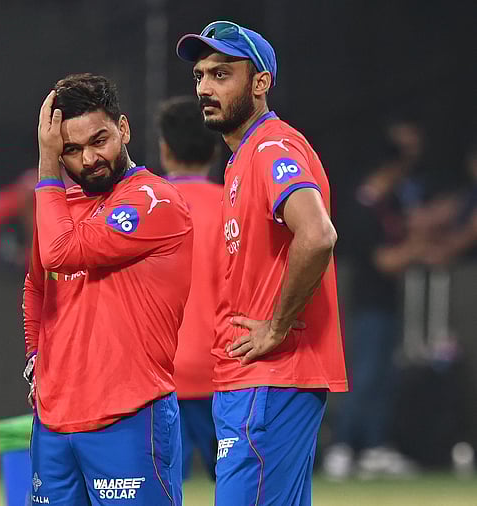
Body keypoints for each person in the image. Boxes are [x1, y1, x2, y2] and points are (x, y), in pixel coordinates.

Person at [177, 21, 346, 505]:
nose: (206, 87)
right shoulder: (242, 157)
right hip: (261, 379)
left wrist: (276, 326)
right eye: (200, 76)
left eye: (222, 74)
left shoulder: (272, 148)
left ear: (260, 83)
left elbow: (316, 236)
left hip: (271, 375)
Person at [24, 73, 194, 505]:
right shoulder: (60, 208)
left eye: (99, 140)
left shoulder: (154, 200)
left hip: (129, 416)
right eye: (71, 151)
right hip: (54, 423)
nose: (89, 159)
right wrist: (35, 359)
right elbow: (36, 284)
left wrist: (47, 165)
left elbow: (62, 253)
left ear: (124, 128)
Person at [322, 126, 427, 481]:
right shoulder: (361, 206)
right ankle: (342, 447)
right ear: (389, 166)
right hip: (365, 302)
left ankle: (374, 447)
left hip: (388, 303)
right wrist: (425, 249)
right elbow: (384, 260)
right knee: (364, 375)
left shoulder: (392, 202)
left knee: (384, 375)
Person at [157, 96, 222, 481]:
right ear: (216, 148)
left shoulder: (140, 207)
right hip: (223, 375)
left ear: (165, 149)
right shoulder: (234, 206)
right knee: (241, 489)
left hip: (159, 376)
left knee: (158, 491)